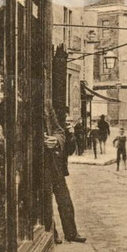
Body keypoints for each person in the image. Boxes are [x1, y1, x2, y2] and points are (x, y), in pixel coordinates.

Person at [44, 101, 87, 243]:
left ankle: (71, 233)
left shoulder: (47, 104)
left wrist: (56, 140)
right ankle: (52, 233)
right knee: (44, 202)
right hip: (37, 164)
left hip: (54, 164)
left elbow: (59, 132)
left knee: (65, 200)